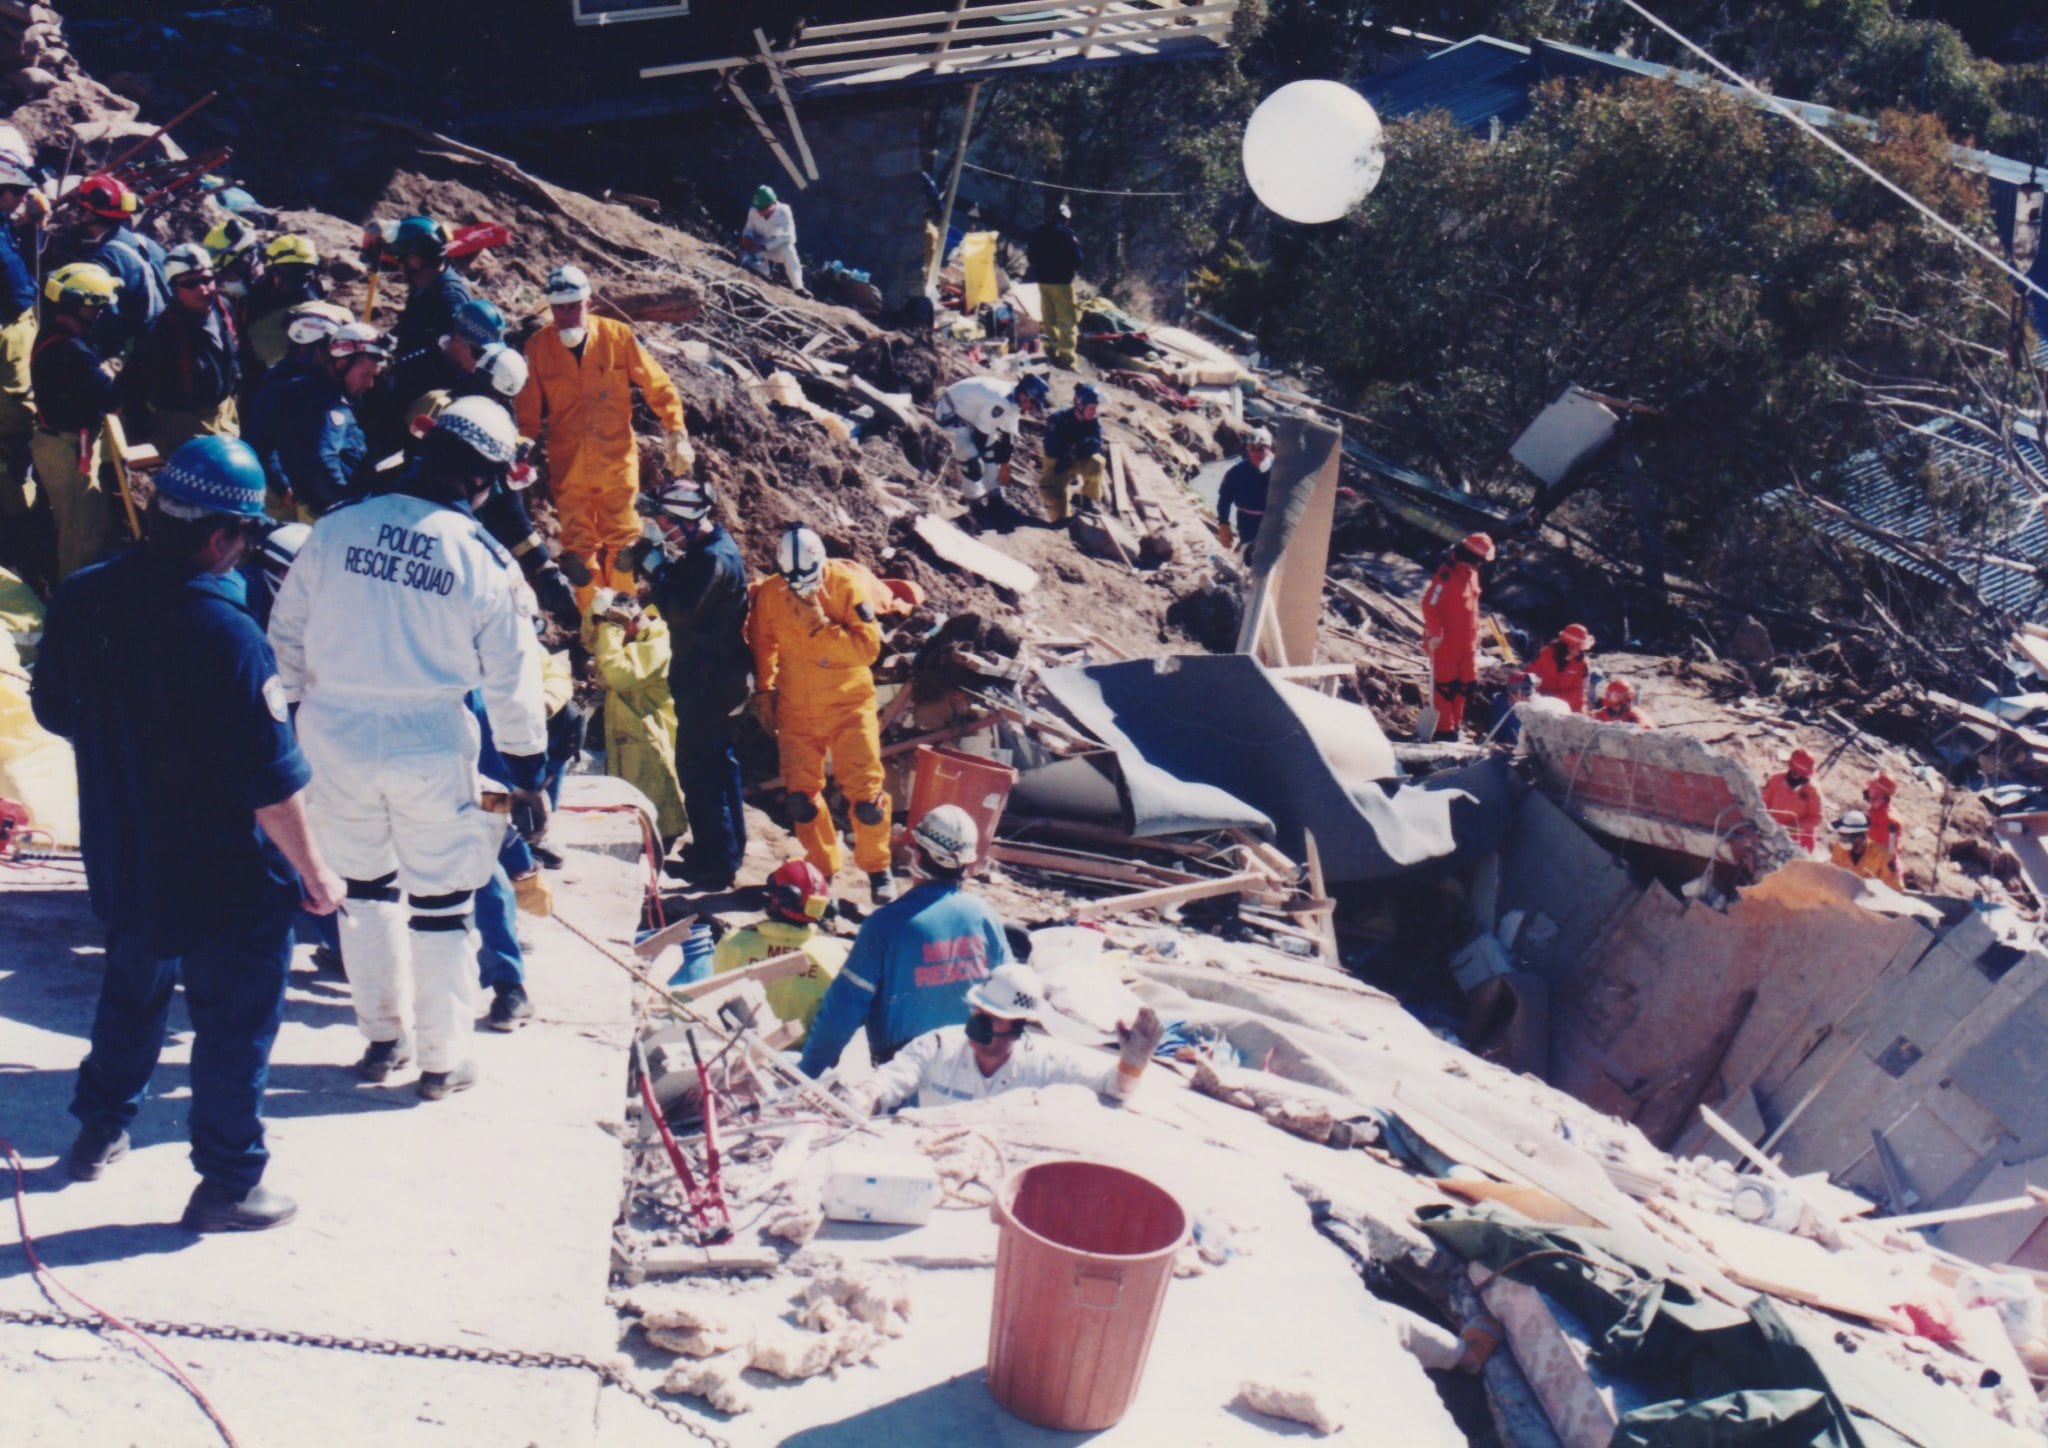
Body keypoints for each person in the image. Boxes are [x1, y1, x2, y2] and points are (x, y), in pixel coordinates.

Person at [31, 435, 343, 1232]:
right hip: (225, 876)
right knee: (234, 1026)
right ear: (218, 536)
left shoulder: (85, 595)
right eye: (244, 537)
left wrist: (129, 752)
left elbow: (56, 710)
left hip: (125, 850)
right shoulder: (227, 635)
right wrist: (316, 874)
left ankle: (100, 1130)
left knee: (132, 988)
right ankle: (230, 1182)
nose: (243, 555)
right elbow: (271, 782)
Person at [269, 396, 549, 1101]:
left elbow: (285, 637)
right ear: (485, 478)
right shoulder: (483, 559)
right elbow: (515, 682)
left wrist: (305, 715)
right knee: (443, 907)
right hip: (431, 746)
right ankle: (441, 1060)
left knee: (363, 897)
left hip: (334, 740)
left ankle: (382, 1040)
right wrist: (528, 774)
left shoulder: (335, 530)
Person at [513, 263, 692, 609]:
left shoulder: (617, 337)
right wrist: (522, 448)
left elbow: (657, 384)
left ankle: (623, 619)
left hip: (616, 461)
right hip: (570, 464)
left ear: (589, 303)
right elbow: (528, 415)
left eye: (573, 306)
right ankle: (593, 626)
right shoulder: (538, 349)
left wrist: (676, 429)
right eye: (558, 308)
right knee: (579, 555)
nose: (565, 315)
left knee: (625, 545)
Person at [798, 805, 1010, 1077]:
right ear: (966, 864)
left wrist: (807, 1072)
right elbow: (1009, 996)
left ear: (917, 857)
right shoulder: (985, 916)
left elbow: (843, 1011)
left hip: (905, 1076)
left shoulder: (885, 925)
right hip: (972, 1072)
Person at [749, 524, 895, 904]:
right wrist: (764, 691)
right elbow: (762, 643)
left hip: (849, 705)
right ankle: (822, 869)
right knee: (801, 798)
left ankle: (878, 868)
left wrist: (820, 630)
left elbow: (868, 649)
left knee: (867, 801)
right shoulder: (771, 594)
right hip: (798, 707)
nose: (802, 589)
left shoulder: (845, 586)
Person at [638, 479, 751, 889]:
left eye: (666, 521)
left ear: (686, 521)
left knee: (698, 768)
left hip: (711, 682)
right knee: (720, 764)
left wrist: (656, 569)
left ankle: (715, 863)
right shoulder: (706, 550)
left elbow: (682, 612)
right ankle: (726, 848)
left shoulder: (713, 561)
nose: (660, 527)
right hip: (718, 677)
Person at [866, 964, 1163, 1113]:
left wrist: (1134, 1062)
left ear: (1019, 1028)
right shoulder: (939, 1046)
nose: (977, 1026)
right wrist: (863, 1096)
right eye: (976, 1013)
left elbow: (1114, 1089)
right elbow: (889, 1082)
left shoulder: (1046, 1065)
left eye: (992, 1019)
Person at [31, 262, 125, 579]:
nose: (98, 314)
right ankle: (75, 602)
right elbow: (111, 399)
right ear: (70, 305)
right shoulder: (70, 352)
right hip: (68, 451)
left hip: (63, 445)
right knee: (80, 537)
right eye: (92, 308)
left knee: (79, 525)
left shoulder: (59, 339)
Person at [584, 583, 688, 846]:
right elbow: (589, 642)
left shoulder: (657, 644)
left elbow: (620, 675)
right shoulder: (630, 636)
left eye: (610, 626)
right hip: (629, 736)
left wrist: (610, 628)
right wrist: (597, 617)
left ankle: (664, 844)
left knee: (657, 806)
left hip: (649, 741)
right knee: (637, 803)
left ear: (624, 622)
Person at [708, 858, 848, 1044]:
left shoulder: (735, 943)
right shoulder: (835, 956)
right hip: (799, 1061)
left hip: (742, 1051)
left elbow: (714, 996)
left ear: (774, 898)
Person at [127, 243, 241, 456]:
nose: (203, 289)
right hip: (184, 426)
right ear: (174, 288)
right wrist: (145, 432)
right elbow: (133, 388)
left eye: (207, 280)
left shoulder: (224, 309)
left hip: (225, 415)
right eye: (190, 284)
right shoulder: (159, 334)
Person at [268, 321, 387, 518]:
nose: (370, 384)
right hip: (327, 512)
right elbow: (323, 460)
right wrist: (344, 507)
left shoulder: (305, 388)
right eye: (366, 375)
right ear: (341, 364)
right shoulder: (330, 404)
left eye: (374, 376)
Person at [934, 372, 1049, 527]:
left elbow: (1008, 436)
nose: (1032, 408)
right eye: (1033, 404)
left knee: (991, 454)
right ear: (1025, 396)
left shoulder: (1015, 401)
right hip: (950, 413)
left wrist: (1004, 465)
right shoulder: (1002, 401)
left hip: (971, 417)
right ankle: (975, 504)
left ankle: (995, 496)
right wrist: (979, 462)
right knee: (972, 461)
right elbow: (980, 436)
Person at [0, 151, 42, 575]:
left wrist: (30, 226)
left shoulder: (4, 227)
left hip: (15, 321)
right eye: (15, 194)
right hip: (8, 328)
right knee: (16, 416)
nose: (19, 201)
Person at [74, 173, 167, 354]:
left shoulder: (102, 260)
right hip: (167, 334)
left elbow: (104, 320)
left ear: (86, 214)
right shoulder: (148, 244)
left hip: (138, 349)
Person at [385, 216, 471, 411]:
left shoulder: (449, 297)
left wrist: (400, 363)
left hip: (430, 393)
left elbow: (451, 355)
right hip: (412, 375)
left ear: (414, 261)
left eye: (400, 259)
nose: (398, 266)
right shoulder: (424, 284)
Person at [1419, 531, 1493, 739]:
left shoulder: (1473, 575)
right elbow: (1428, 604)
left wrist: (1476, 640)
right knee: (1445, 687)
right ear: (1473, 557)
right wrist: (1434, 633)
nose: (1482, 565)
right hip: (1445, 644)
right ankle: (1444, 730)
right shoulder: (1446, 576)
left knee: (1466, 685)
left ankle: (1455, 724)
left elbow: (1473, 609)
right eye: (1481, 560)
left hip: (1467, 645)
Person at [241, 234, 326, 373]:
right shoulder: (256, 297)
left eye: (303, 276)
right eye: (290, 276)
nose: (296, 283)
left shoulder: (314, 298)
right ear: (271, 272)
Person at [1025, 201, 1083, 369]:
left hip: (1043, 281)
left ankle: (1049, 349)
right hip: (1062, 283)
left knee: (1048, 318)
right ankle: (1067, 358)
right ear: (1066, 219)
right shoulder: (1067, 235)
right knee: (1067, 322)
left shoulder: (1039, 231)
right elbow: (1078, 261)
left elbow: (1030, 256)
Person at [1038, 382, 1105, 525]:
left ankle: (1089, 500)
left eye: (1096, 408)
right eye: (1091, 408)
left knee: (1097, 462)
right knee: (1055, 500)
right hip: (1058, 462)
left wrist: (1076, 450)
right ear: (1080, 405)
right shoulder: (1059, 418)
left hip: (1076, 459)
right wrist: (1067, 453)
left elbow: (1096, 445)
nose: (1094, 412)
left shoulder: (1094, 422)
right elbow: (1051, 447)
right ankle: (1061, 518)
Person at [1215, 426, 1273, 551]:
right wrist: (1223, 523)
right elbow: (1224, 499)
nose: (1256, 453)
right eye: (1252, 448)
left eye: (1261, 449)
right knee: (1249, 555)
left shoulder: (1280, 471)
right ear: (1247, 449)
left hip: (1271, 522)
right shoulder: (1236, 472)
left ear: (1269, 449)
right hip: (1246, 521)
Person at [740, 186, 804, 295]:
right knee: (744, 259)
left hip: (775, 246)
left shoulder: (784, 211)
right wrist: (747, 237)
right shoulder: (753, 210)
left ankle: (799, 288)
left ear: (772, 204)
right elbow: (749, 228)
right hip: (758, 245)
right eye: (758, 208)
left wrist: (766, 246)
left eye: (762, 209)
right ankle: (765, 275)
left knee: (789, 250)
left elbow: (789, 236)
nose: (759, 212)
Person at [1762, 747, 1824, 853]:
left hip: (1799, 837)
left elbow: (1816, 817)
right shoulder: (1775, 780)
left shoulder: (1812, 791)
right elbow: (1763, 802)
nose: (1801, 778)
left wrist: (1794, 829)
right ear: (1791, 768)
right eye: (1797, 774)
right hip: (1771, 829)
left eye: (1804, 776)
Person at [1525, 624, 1594, 713]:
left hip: (1571, 709)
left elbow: (1579, 694)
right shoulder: (1547, 653)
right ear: (1569, 646)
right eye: (1578, 647)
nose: (1580, 652)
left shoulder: (1582, 664)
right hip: (1544, 702)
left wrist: (1553, 696)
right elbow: (1530, 671)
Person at [1830, 809, 1902, 889]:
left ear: (1859, 837)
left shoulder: (1882, 857)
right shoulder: (1839, 848)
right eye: (1841, 835)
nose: (1842, 840)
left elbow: (1895, 890)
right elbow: (1832, 874)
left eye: (1845, 836)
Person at [1864, 771, 1903, 865]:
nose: (1867, 788)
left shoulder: (1891, 821)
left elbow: (1891, 852)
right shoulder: (1874, 810)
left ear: (1879, 792)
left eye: (1871, 786)